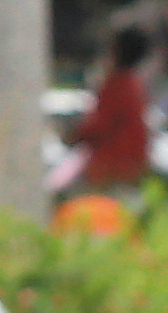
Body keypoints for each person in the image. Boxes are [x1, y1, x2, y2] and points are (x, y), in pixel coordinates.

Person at [59, 23, 158, 201]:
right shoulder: (136, 85)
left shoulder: (117, 85)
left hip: (111, 169)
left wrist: (73, 136)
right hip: (129, 168)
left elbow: (100, 125)